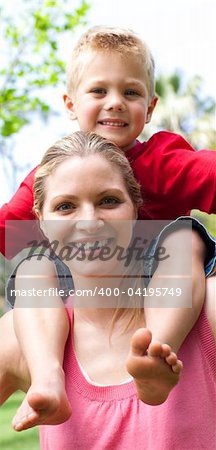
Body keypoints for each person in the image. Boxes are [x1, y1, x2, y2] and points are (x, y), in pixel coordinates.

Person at [1, 26, 216, 429]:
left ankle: (155, 351)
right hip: (82, 280)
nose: (115, 103)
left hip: (157, 273)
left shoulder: (164, 159)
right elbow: (8, 229)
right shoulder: (53, 172)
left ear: (149, 108)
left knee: (185, 238)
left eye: (130, 93)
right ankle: (47, 376)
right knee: (32, 268)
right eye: (99, 91)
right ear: (70, 103)